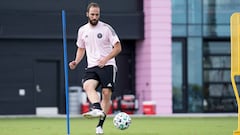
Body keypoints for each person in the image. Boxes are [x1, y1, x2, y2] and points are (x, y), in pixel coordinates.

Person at [69, 2, 122, 135]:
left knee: (106, 94)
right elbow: (81, 48)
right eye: (92, 14)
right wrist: (76, 61)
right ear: (87, 14)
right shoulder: (82, 30)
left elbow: (118, 48)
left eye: (97, 14)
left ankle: (100, 125)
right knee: (87, 86)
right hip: (92, 66)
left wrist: (106, 59)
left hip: (108, 65)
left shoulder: (106, 29)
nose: (94, 17)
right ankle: (96, 108)